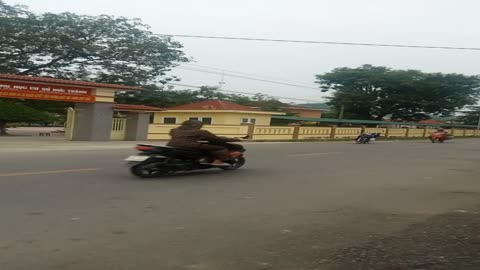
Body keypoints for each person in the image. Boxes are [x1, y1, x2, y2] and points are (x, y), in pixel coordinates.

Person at [167, 120, 241, 166]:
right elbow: (215, 138)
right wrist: (234, 139)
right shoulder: (200, 132)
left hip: (172, 145)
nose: (200, 127)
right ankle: (218, 161)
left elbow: (180, 136)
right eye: (200, 126)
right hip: (191, 146)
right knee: (221, 148)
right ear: (195, 126)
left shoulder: (174, 130)